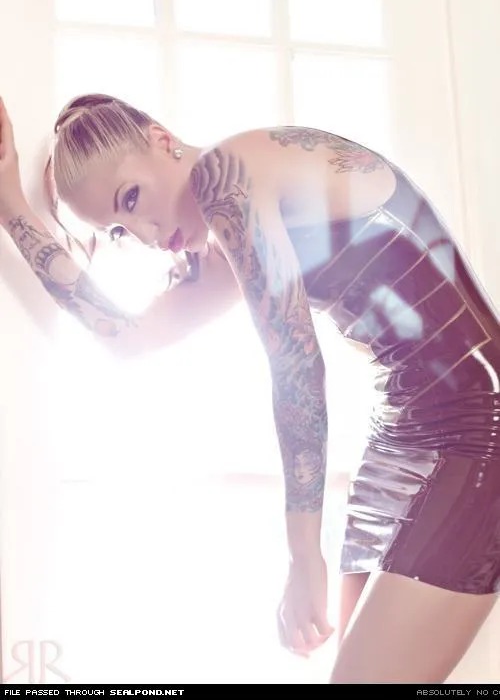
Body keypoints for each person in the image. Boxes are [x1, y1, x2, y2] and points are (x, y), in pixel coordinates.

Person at [0, 93, 499, 684]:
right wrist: (11, 206)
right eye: (118, 228)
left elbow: (296, 365)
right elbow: (128, 338)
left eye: (131, 198)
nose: (144, 232)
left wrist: (303, 554)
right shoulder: (228, 233)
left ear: (160, 139)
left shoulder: (228, 175)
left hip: (477, 425)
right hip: (399, 437)